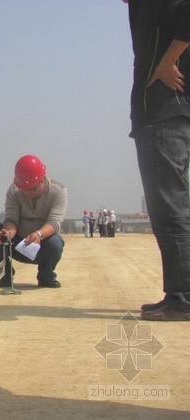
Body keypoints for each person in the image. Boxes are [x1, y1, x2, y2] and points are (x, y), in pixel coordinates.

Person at [124, 0, 190, 321]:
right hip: (163, 116)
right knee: (170, 210)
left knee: (170, 209)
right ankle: (177, 294)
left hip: (163, 117)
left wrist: (168, 60)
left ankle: (181, 299)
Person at [0, 155, 67, 288]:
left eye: (32, 189)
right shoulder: (14, 191)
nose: (28, 193)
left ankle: (46, 277)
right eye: (24, 189)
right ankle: (3, 277)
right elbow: (11, 219)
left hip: (42, 247)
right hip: (18, 244)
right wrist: (5, 235)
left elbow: (54, 222)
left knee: (55, 243)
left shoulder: (57, 192)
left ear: (42, 180)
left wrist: (38, 235)